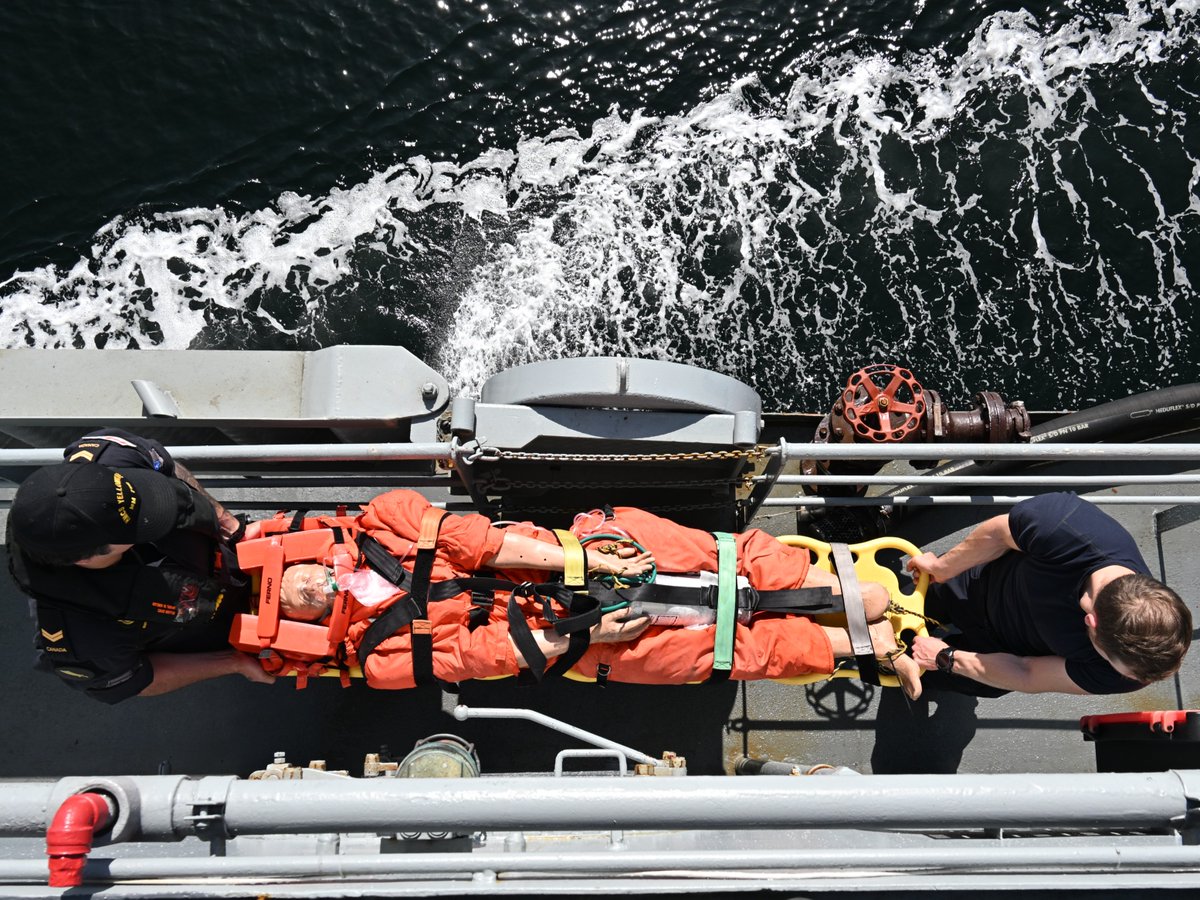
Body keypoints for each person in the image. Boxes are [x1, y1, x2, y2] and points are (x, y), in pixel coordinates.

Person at [245, 489, 923, 698]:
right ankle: (858, 646)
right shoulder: (381, 657)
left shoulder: (384, 520)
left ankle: (835, 589)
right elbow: (485, 658)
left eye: (302, 574)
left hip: (574, 553)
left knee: (723, 562)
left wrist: (586, 557)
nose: (315, 585)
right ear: (304, 626)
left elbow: (481, 542)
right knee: (722, 651)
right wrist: (587, 632)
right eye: (301, 599)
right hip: (575, 643)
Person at [6, 428, 273, 703]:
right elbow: (139, 679)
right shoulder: (81, 639)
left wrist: (228, 524)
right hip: (202, 622)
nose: (154, 515)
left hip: (223, 553)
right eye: (138, 527)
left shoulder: (106, 456)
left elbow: (167, 467)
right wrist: (233, 662)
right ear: (84, 559)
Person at [907, 492, 1191, 696]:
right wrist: (942, 567)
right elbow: (999, 534)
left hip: (1003, 657)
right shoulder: (1068, 527)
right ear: (1091, 623)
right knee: (896, 604)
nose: (1133, 681)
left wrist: (947, 659)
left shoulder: (1133, 672)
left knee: (900, 664)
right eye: (1121, 669)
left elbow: (1027, 673)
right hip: (976, 585)